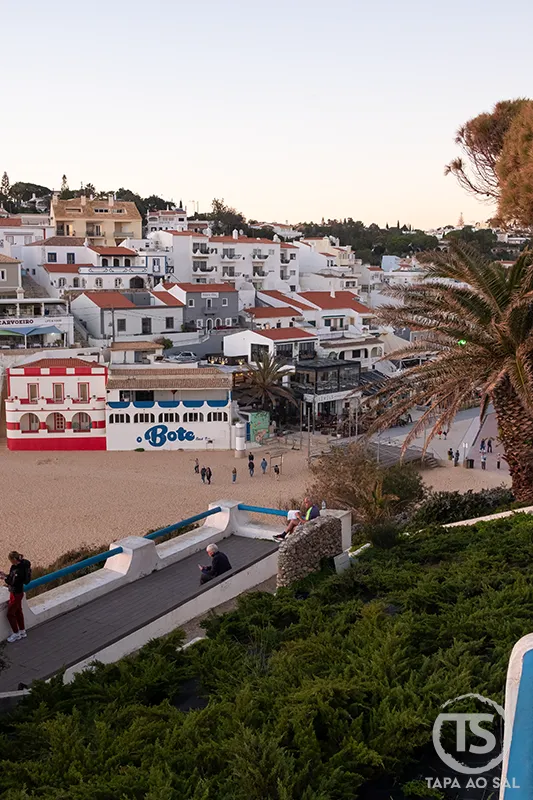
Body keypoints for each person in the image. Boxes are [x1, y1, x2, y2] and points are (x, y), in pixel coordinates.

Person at [0, 551, 31, 643]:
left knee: (10, 614)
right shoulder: (23, 565)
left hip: (15, 593)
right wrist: (5, 575)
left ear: (13, 559)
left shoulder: (17, 570)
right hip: (19, 591)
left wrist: (4, 578)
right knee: (18, 611)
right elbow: (12, 578)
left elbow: (12, 582)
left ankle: (16, 633)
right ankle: (22, 631)